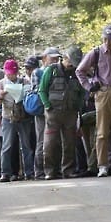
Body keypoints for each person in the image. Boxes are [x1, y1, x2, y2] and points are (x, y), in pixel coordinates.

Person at [76, 24, 111, 177]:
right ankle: (102, 165)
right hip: (103, 92)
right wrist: (89, 87)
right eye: (105, 39)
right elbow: (80, 70)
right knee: (102, 131)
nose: (108, 42)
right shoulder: (96, 52)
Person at [39, 46, 85, 179]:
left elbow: (82, 92)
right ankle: (50, 171)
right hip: (53, 113)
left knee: (70, 143)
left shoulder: (77, 72)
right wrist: (48, 106)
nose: (72, 64)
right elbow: (42, 90)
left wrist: (78, 107)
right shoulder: (51, 70)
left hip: (70, 113)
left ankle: (68, 170)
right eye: (71, 61)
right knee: (50, 143)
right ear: (64, 58)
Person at [0, 59, 34, 182]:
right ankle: (5, 173)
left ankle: (29, 172)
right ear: (5, 72)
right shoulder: (1, 84)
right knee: (7, 146)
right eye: (10, 73)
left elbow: (31, 93)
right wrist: (1, 95)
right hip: (8, 117)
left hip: (24, 117)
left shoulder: (25, 81)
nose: (12, 75)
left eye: (14, 73)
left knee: (26, 145)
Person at [34, 48, 61, 180]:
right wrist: (47, 104)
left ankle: (55, 169)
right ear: (44, 58)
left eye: (57, 59)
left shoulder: (58, 71)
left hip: (55, 111)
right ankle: (39, 171)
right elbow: (38, 90)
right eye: (52, 58)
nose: (55, 61)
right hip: (41, 111)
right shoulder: (38, 72)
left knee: (55, 141)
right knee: (41, 141)